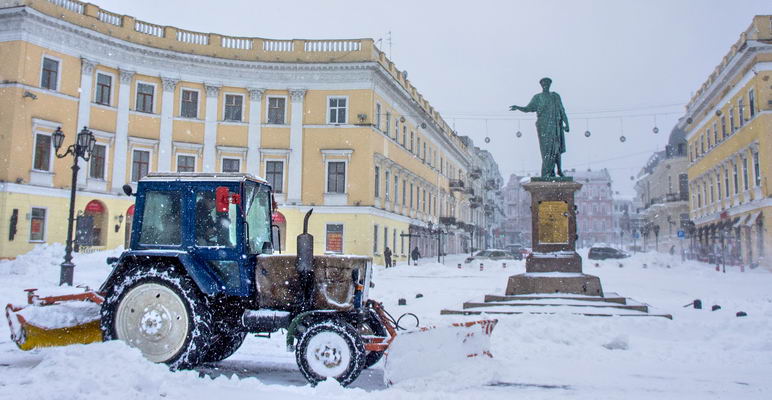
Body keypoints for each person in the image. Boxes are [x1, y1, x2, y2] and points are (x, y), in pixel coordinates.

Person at [509, 77, 570, 177]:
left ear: (550, 85)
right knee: (546, 150)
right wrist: (518, 107)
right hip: (543, 127)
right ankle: (548, 172)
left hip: (554, 126)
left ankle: (558, 170)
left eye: (547, 83)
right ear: (541, 85)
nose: (545, 85)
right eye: (543, 84)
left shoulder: (555, 96)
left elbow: (562, 111)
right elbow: (528, 108)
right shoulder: (537, 97)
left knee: (556, 148)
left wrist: (567, 124)